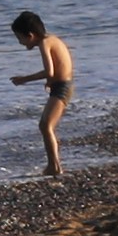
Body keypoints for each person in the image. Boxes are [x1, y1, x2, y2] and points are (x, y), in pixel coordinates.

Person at [10, 10, 75, 177]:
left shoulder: (45, 43)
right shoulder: (52, 39)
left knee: (46, 126)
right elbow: (58, 67)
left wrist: (24, 79)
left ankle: (54, 166)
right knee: (45, 125)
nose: (21, 43)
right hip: (61, 85)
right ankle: (54, 165)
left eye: (20, 38)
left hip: (63, 87)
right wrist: (50, 82)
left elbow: (50, 71)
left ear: (30, 35)